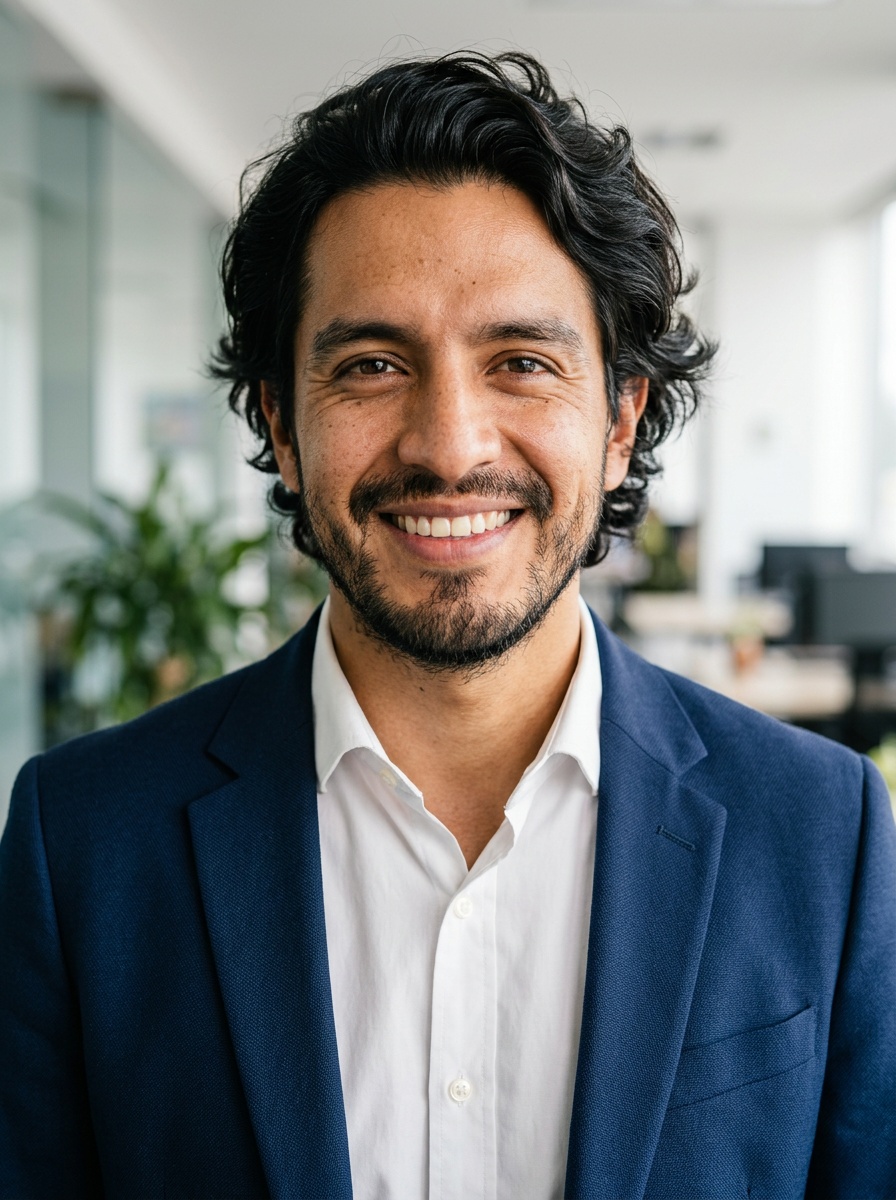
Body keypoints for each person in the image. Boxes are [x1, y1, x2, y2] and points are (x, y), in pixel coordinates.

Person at [1, 51, 894, 1200]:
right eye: (372, 364)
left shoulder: (822, 836)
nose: (449, 444)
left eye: (519, 362)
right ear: (279, 420)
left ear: (620, 420)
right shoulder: (83, 846)